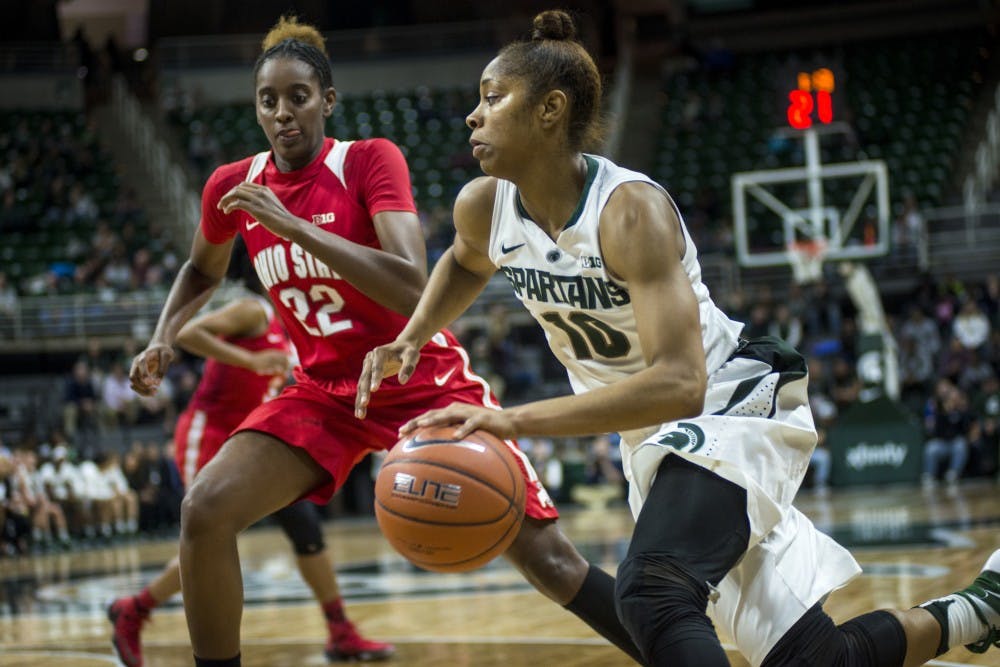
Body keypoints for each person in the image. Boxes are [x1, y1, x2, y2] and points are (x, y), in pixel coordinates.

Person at [356, 10, 1000, 667]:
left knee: (654, 591)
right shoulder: (484, 206)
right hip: (654, 440)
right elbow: (465, 260)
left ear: (550, 111)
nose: (473, 115)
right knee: (816, 659)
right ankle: (984, 606)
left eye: (493, 98)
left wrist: (510, 418)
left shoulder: (629, 211)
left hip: (729, 406)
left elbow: (679, 383)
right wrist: (413, 335)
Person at [128, 15, 641, 667]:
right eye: (268, 100)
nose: (283, 112)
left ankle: (673, 654)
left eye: (298, 97)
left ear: (327, 101)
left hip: (416, 377)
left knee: (550, 560)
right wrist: (163, 335)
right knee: (205, 508)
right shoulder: (233, 185)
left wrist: (295, 226)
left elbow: (409, 283)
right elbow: (202, 267)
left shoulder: (368, 161)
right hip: (320, 394)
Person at [110, 265, 393, 666]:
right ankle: (134, 609)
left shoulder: (296, 325)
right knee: (210, 534)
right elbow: (189, 333)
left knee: (306, 528)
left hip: (259, 439)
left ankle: (340, 631)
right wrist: (250, 359)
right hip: (210, 433)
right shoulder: (253, 309)